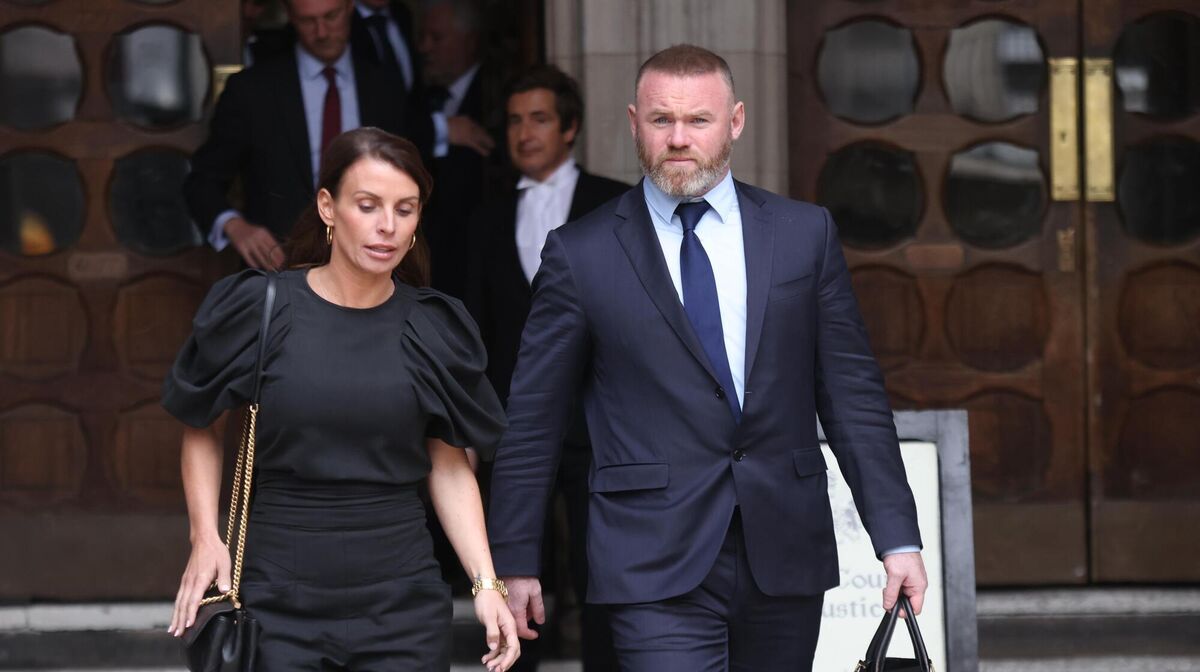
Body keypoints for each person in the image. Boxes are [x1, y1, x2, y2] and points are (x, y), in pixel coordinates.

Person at [486, 45, 928, 671]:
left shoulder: (804, 235)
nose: (678, 138)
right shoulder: (580, 254)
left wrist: (898, 537)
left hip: (784, 548)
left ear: (735, 121)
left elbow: (852, 395)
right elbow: (534, 418)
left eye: (699, 120)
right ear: (634, 123)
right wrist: (514, 559)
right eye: (661, 120)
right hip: (650, 559)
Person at [165, 127, 520, 672]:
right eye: (368, 205)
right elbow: (202, 423)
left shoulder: (431, 326)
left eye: (405, 209)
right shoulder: (263, 309)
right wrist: (205, 537)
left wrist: (486, 582)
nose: (388, 226)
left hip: (402, 601)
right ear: (328, 207)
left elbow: (449, 466)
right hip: (279, 597)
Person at [464, 65, 626, 671]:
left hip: (602, 419)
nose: (524, 133)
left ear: (570, 127)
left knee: (602, 563)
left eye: (539, 118)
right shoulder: (483, 218)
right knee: (511, 561)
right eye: (514, 121)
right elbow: (473, 327)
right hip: (511, 421)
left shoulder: (617, 203)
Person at [183, 0, 423, 271]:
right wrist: (234, 225)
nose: (321, 32)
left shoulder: (384, 86)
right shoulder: (253, 90)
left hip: (369, 268)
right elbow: (202, 182)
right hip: (280, 267)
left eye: (330, 17)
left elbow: (408, 179)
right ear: (290, 18)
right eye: (308, 21)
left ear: (349, 8)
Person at [416, 0, 504, 297]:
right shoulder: (420, 99)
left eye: (437, 38)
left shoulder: (496, 93)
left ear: (470, 41)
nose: (425, 48)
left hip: (478, 264)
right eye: (423, 37)